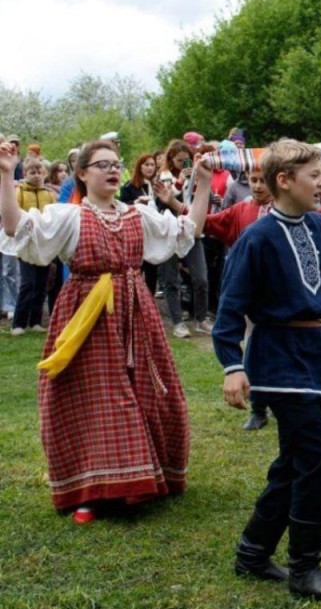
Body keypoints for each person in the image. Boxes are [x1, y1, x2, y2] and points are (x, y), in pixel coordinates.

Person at [0, 139, 211, 523]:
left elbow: (189, 231)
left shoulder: (137, 214)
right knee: (92, 397)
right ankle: (91, 491)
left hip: (135, 311)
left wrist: (205, 183)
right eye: (102, 164)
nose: (113, 170)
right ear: (82, 173)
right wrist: (4, 174)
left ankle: (140, 478)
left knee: (145, 389)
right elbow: (16, 227)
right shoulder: (69, 216)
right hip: (86, 314)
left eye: (116, 164)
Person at [215, 140, 321, 599]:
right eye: (314, 174)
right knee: (315, 458)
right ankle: (304, 569)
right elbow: (229, 309)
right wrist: (233, 366)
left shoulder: (314, 225)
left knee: (293, 463)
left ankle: (252, 552)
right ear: (283, 181)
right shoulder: (256, 238)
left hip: (311, 355)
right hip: (276, 360)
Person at [201, 167, 274, 431]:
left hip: (280, 291)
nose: (256, 186)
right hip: (252, 291)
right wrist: (174, 201)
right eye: (253, 180)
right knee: (254, 344)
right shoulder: (241, 210)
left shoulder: (288, 210)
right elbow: (206, 222)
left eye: (262, 181)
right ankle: (258, 407)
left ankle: (287, 399)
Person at [157, 139, 211, 338]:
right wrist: (180, 180)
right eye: (180, 161)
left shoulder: (195, 176)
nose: (184, 164)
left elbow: (198, 198)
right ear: (171, 159)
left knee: (201, 278)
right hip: (170, 229)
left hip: (191, 228)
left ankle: (201, 318)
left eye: (187, 161)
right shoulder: (164, 176)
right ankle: (178, 322)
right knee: (171, 279)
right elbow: (165, 198)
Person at [10, 157, 56, 335]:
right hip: (26, 243)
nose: (36, 176)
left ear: (44, 173)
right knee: (27, 283)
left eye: (39, 172)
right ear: (25, 174)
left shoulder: (49, 193)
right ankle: (18, 323)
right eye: (32, 172)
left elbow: (53, 215)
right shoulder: (20, 192)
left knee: (41, 283)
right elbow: (15, 212)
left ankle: (35, 320)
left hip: (43, 244)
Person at [121, 154, 161, 294]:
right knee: (137, 269)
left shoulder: (158, 185)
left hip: (154, 233)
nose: (150, 168)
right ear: (139, 167)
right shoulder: (129, 187)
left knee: (152, 271)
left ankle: (149, 301)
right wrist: (136, 203)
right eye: (146, 165)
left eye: (152, 165)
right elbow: (122, 207)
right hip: (137, 232)